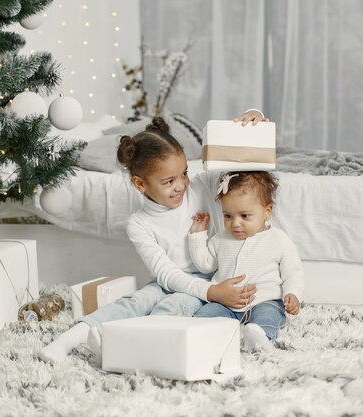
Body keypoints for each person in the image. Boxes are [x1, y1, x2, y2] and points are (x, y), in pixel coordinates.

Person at [38, 110, 267, 364]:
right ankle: (65, 342)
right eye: (169, 181)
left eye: (184, 174)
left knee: (171, 308)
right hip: (170, 281)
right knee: (134, 301)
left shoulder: (202, 187)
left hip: (205, 278)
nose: (181, 185)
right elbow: (166, 274)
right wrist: (212, 292)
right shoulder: (138, 224)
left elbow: (244, 169)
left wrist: (254, 118)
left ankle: (123, 349)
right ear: (140, 184)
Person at [189, 171, 304, 350]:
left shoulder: (278, 239)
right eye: (228, 216)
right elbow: (205, 265)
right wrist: (197, 235)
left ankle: (260, 339)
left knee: (268, 317)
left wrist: (293, 293)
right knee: (205, 316)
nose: (235, 223)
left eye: (244, 216)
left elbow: (293, 272)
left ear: (266, 212)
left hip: (265, 300)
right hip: (225, 303)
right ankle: (200, 338)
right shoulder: (220, 239)